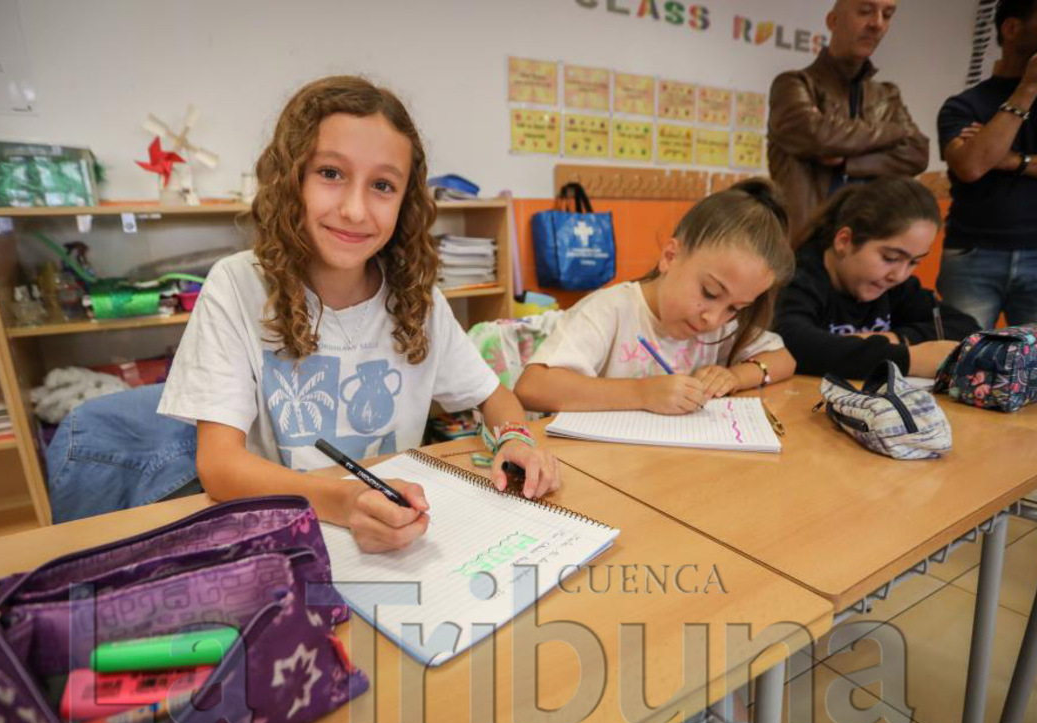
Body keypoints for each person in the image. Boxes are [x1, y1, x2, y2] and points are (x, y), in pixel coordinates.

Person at [158, 76, 561, 553]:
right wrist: (344, 501)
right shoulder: (236, 286)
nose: (354, 209)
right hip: (287, 535)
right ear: (292, 178)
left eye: (383, 185)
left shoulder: (417, 296)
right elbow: (220, 466)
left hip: (396, 537)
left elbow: (495, 398)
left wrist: (515, 439)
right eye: (330, 173)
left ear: (406, 202)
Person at [514, 180, 796, 415]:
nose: (713, 318)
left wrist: (736, 376)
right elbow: (533, 387)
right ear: (670, 256)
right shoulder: (611, 309)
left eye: (735, 308)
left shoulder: (719, 328)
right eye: (709, 293)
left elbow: (784, 359)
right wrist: (642, 393)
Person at [936, 0, 1037, 330]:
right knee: (958, 367)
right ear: (1012, 29)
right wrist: (1029, 87)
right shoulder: (963, 105)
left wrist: (1016, 161)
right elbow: (973, 166)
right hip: (972, 256)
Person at [774, 177, 979, 379]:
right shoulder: (799, 276)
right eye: (890, 258)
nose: (899, 275)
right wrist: (910, 359)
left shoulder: (895, 287)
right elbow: (792, 342)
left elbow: (965, 327)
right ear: (844, 241)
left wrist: (894, 338)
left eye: (914, 262)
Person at [768, 0, 929, 234]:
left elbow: (918, 153)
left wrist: (848, 161)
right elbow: (818, 136)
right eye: (865, 11)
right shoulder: (793, 85)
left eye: (887, 14)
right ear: (833, 21)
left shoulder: (887, 94)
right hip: (805, 245)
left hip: (868, 242)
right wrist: (894, 132)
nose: (877, 24)